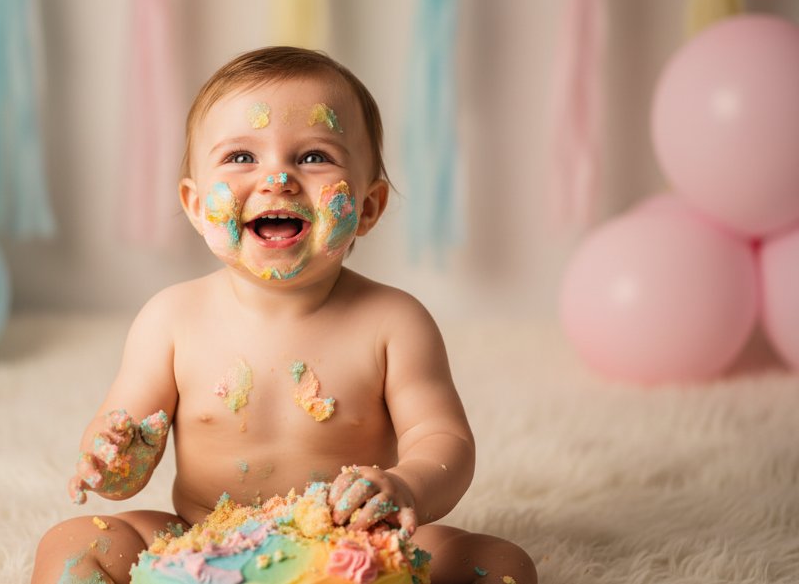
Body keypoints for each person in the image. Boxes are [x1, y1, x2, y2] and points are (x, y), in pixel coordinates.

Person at [32, 46, 537, 584]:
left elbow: (444, 442)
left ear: (368, 207)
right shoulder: (170, 319)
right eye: (242, 158)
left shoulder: (394, 322)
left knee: (500, 563)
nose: (278, 179)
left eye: (314, 156)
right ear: (197, 205)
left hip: (354, 548)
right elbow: (124, 453)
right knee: (74, 542)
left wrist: (405, 485)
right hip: (205, 544)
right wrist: (111, 459)